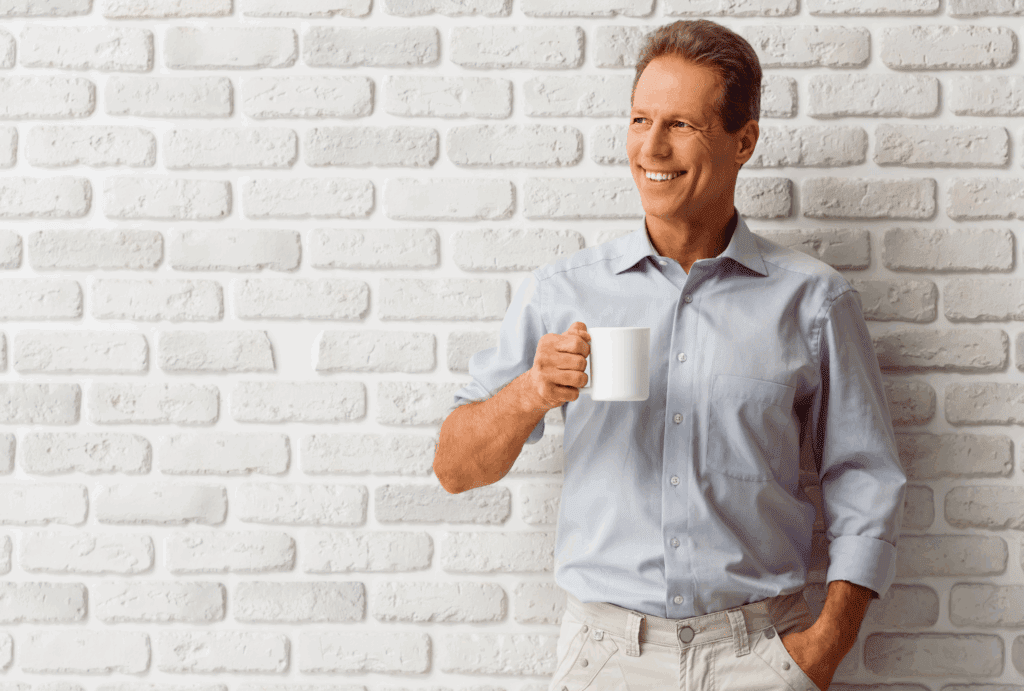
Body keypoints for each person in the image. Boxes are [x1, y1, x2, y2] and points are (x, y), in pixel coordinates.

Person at [433, 18, 907, 691]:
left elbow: (866, 482)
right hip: (607, 659)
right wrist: (532, 391)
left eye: (680, 124)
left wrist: (824, 645)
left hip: (761, 654)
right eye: (639, 119)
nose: (650, 146)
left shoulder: (815, 302)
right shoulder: (565, 291)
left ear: (744, 141)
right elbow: (454, 466)